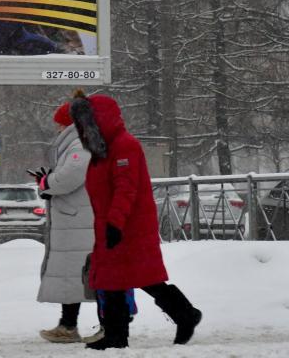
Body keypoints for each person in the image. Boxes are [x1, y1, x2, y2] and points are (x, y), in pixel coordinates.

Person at [73, 91, 203, 350]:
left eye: (86, 124)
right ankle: (116, 336)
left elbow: (126, 188)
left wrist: (115, 222)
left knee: (144, 278)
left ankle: (185, 314)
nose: (82, 132)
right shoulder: (103, 150)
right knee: (112, 281)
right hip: (112, 225)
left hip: (129, 226)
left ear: (99, 121)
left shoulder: (124, 146)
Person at [30, 101, 99, 344]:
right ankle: (68, 325)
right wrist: (48, 181)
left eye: (59, 123)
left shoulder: (78, 143)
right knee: (75, 275)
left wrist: (48, 183)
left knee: (85, 274)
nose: (56, 128)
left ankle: (97, 325)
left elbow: (71, 176)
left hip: (77, 221)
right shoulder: (76, 142)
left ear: (66, 123)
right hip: (74, 221)